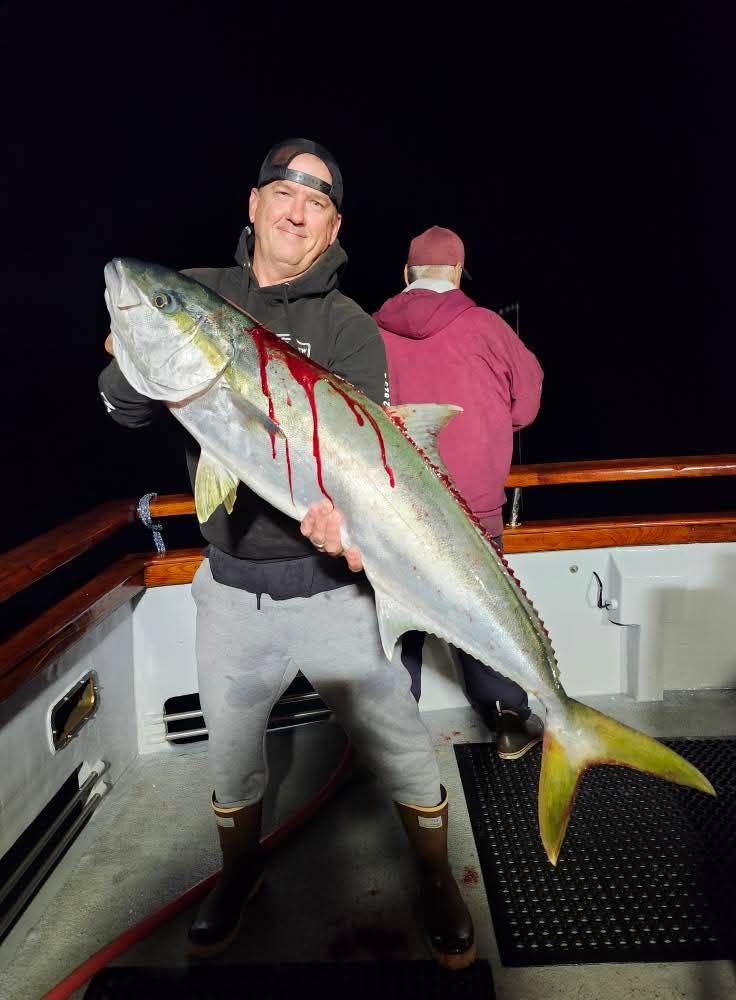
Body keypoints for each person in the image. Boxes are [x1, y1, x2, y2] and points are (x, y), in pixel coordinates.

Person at [98, 142, 475, 969]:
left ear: (332, 225)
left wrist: (354, 532)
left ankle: (436, 877)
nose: (296, 207)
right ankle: (240, 877)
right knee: (232, 764)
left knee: (403, 748)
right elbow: (127, 406)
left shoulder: (348, 328)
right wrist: (131, 358)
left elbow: (367, 465)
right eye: (282, 189)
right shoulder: (199, 294)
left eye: (316, 199)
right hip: (231, 594)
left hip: (335, 593)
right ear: (255, 203)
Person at [374, 225, 545, 760]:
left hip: (398, 510)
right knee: (483, 610)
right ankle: (508, 718)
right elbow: (527, 405)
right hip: (473, 510)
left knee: (397, 620)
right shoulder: (487, 327)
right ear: (456, 273)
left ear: (406, 274)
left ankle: (394, 731)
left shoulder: (367, 329)